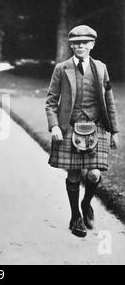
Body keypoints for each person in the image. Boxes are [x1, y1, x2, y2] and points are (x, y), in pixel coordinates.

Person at [45, 25, 119, 237]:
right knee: (74, 173)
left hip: (96, 126)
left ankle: (86, 204)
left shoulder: (101, 68)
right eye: (76, 43)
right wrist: (55, 125)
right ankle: (75, 215)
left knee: (94, 174)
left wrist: (114, 131)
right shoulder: (62, 68)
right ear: (71, 45)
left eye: (85, 42)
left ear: (92, 45)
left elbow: (109, 101)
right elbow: (50, 101)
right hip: (70, 125)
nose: (80, 46)